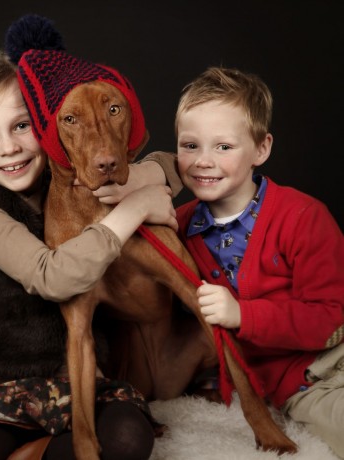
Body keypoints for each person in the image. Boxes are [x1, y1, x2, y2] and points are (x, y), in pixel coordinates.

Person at [0, 44, 179, 460]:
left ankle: (26, 450)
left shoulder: (67, 174)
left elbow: (180, 165)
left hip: (80, 380)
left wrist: (144, 177)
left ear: (46, 126)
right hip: (1, 385)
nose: (9, 148)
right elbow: (51, 277)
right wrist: (134, 209)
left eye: (21, 126)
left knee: (129, 441)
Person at [98, 65, 344, 458]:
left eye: (223, 147)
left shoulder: (303, 217)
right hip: (306, 384)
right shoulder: (178, 228)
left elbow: (331, 319)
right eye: (190, 145)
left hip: (334, 352)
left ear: (261, 149)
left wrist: (244, 315)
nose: (203, 161)